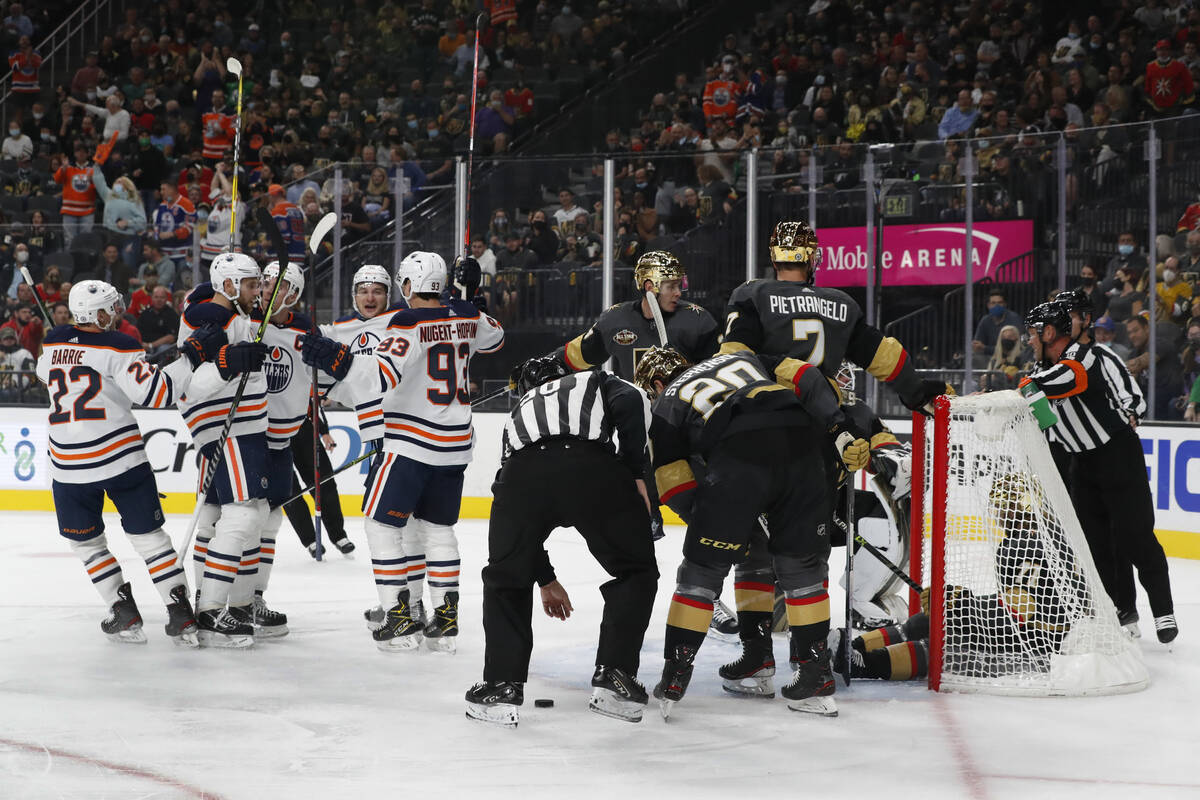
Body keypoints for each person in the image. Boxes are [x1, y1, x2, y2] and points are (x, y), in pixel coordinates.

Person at [634, 346, 868, 718]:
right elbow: (807, 376)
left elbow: (672, 480)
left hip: (739, 455)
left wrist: (714, 526)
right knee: (801, 569)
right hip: (805, 443)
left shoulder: (666, 401)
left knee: (701, 572)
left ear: (657, 383)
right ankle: (810, 676)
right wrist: (839, 426)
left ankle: (674, 678)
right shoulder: (743, 357)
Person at [302, 253, 504, 652]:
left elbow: (378, 377)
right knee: (438, 530)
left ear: (408, 285)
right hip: (456, 444)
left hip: (410, 443)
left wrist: (336, 360)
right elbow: (496, 338)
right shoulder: (466, 316)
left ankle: (399, 618)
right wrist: (470, 298)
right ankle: (444, 619)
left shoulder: (406, 322)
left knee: (381, 526)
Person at [465, 357, 659, 727]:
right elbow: (633, 401)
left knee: (506, 578)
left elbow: (515, 520)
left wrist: (543, 578)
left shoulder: (518, 413)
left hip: (523, 473)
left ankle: (501, 685)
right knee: (636, 570)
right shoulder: (592, 379)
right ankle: (615, 679)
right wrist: (636, 472)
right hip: (594, 469)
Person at [34, 280, 227, 646]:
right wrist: (192, 357)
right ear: (99, 313)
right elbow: (157, 394)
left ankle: (122, 611)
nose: (118, 314)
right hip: (121, 457)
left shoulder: (53, 341)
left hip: (68, 465)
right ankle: (180, 613)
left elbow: (48, 374)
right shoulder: (120, 344)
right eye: (112, 308)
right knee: (150, 539)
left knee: (88, 544)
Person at [1023, 302, 1177, 644]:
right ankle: (1117, 614)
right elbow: (1044, 418)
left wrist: (1020, 390)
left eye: (1033, 333)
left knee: (1135, 538)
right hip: (1081, 462)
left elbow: (1066, 382)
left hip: (1117, 455)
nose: (1029, 340)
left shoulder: (1085, 358)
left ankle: (1164, 610)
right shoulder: (1038, 368)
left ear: (1049, 333)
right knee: (1096, 546)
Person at [176, 252, 271, 648]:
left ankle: (207, 599)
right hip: (228, 429)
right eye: (251, 285)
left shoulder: (221, 313)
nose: (258, 292)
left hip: (233, 429)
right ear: (229, 286)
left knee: (216, 517)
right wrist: (230, 361)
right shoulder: (209, 318)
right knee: (245, 514)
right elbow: (190, 386)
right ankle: (213, 611)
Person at [316, 264, 413, 623]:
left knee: (396, 525)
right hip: (373, 436)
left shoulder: (404, 322)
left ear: (389, 293)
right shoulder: (341, 329)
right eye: (363, 291)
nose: (369, 298)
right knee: (393, 525)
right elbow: (306, 343)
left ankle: (403, 603)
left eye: (377, 290)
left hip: (404, 433)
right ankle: (403, 600)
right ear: (354, 294)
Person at [557, 252, 718, 379]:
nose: (678, 293)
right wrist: (548, 365)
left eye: (679, 286)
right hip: (634, 414)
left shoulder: (698, 320)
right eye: (671, 287)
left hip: (682, 415)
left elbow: (720, 372)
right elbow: (575, 355)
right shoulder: (616, 319)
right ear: (649, 287)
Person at [154, 181, 196, 279]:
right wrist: (157, 234)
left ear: (172, 189)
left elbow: (191, 226)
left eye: (163, 189)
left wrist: (173, 233)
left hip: (182, 253)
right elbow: (157, 225)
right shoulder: (162, 205)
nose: (161, 192)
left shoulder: (186, 204)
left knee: (182, 280)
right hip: (165, 253)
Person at [972, 291, 1025, 356]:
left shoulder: (1014, 318)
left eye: (1000, 303)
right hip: (989, 358)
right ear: (988, 305)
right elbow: (977, 344)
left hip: (1011, 357)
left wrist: (985, 348)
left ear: (1005, 304)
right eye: (993, 303)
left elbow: (1011, 348)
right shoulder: (985, 320)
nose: (996, 306)